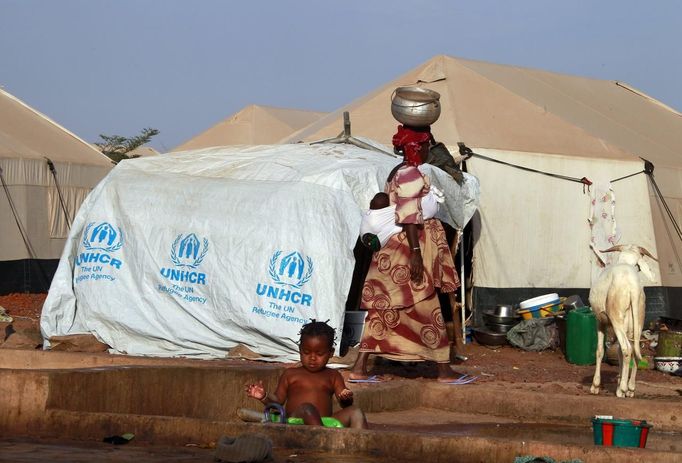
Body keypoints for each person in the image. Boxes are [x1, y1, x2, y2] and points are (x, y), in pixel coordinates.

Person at [350, 125, 461, 382]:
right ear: (416, 147)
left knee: (385, 307)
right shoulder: (410, 173)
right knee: (425, 303)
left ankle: (359, 367)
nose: (427, 150)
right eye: (424, 146)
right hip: (406, 247)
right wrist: (415, 254)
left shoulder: (396, 170)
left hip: (392, 248)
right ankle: (443, 368)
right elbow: (409, 215)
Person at [245, 320, 368, 429]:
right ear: (300, 349)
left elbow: (345, 404)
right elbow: (278, 401)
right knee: (308, 409)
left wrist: (345, 397)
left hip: (324, 423)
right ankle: (323, 439)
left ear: (330, 353)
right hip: (296, 420)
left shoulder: (333, 375)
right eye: (306, 352)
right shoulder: (290, 374)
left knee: (355, 412)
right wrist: (264, 396)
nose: (312, 358)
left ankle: (361, 447)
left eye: (319, 354)